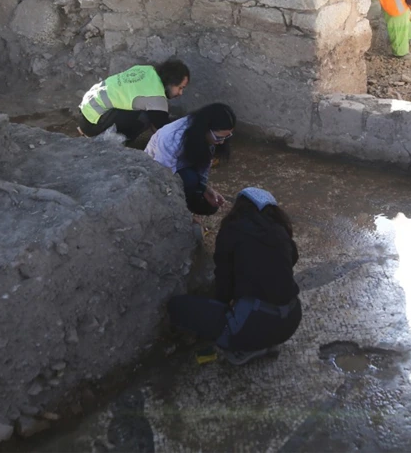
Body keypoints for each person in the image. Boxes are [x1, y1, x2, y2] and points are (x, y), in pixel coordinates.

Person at [167, 187, 302, 365]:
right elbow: (292, 259)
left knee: (176, 306)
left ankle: (248, 346)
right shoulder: (280, 231)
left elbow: (224, 283)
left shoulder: (232, 230)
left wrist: (222, 310)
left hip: (253, 325)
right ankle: (267, 340)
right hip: (291, 319)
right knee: (259, 308)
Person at [145, 103, 235, 216]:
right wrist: (185, 215)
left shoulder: (203, 134)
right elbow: (164, 178)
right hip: (158, 170)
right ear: (206, 128)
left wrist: (205, 188)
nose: (222, 142)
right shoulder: (172, 138)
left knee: (209, 206)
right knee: (189, 180)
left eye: (227, 137)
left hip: (182, 166)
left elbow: (203, 165)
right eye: (219, 137)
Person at [77, 59, 190, 146]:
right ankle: (112, 144)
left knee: (144, 109)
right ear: (171, 83)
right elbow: (164, 130)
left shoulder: (146, 70)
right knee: (144, 117)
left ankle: (85, 130)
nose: (180, 93)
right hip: (93, 124)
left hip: (85, 111)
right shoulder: (156, 98)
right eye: (180, 88)